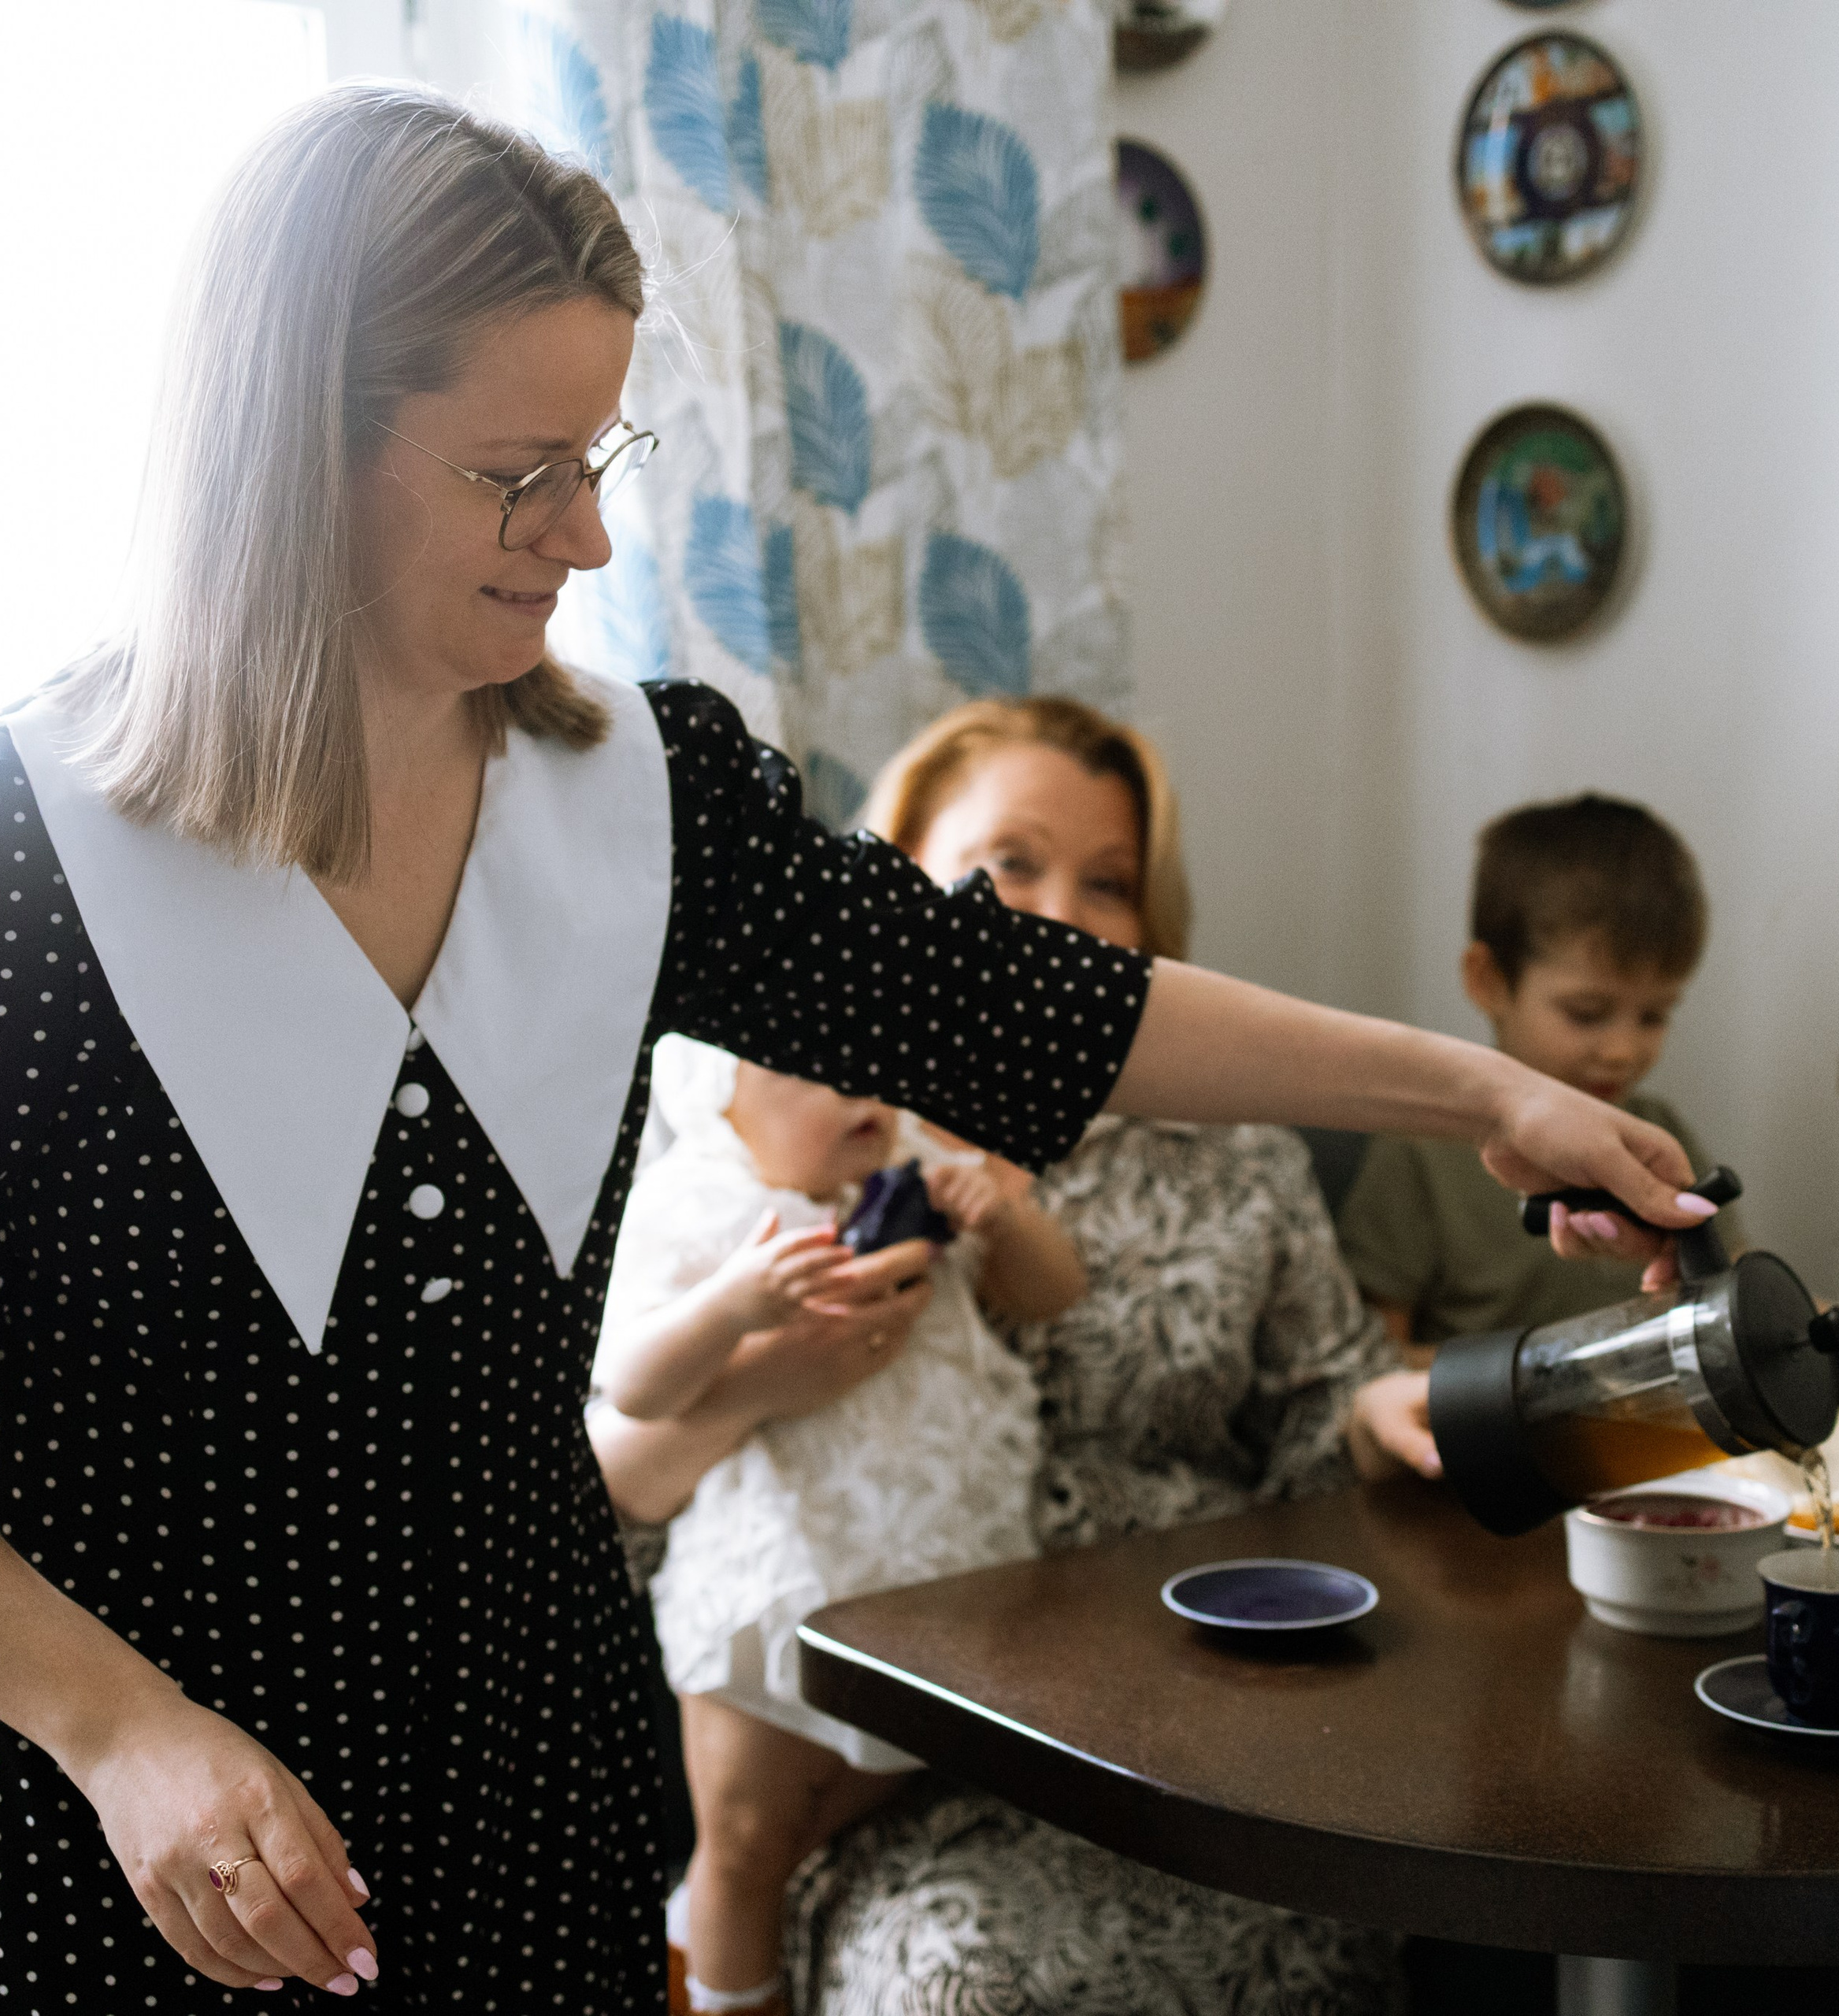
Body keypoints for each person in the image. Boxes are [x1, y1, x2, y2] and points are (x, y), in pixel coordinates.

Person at [0, 86, 1712, 2015]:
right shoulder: (34, 857)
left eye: (602, 450)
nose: (582, 528)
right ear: (290, 448)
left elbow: (1045, 1006)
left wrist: (1487, 1086)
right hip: (130, 1849)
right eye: (514, 470)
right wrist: (121, 1727)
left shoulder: (639, 802)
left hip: (537, 1812)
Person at [762, 696, 1426, 2013]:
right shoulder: (787, 1133)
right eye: (1009, 862)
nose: (1059, 911)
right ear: (891, 882)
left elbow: (1324, 1427)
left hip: (1208, 1752)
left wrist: (1384, 1411)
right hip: (903, 1766)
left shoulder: (1239, 1158)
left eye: (1108, 882)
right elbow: (639, 1469)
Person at [590, 1040, 1083, 2015]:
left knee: (865, 1781)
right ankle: (728, 1986)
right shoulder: (695, 1200)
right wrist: (733, 1307)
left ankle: (710, 1933)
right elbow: (636, 1385)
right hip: (770, 1581)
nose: (863, 1090)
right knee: (742, 1839)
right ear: (724, 1098)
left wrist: (1007, 1215)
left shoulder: (918, 1166)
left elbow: (1054, 1293)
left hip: (932, 1575)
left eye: (874, 1065)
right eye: (815, 1072)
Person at [1336, 794, 1839, 1413]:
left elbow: (1735, 1295)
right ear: (1488, 981)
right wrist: (1567, 1378)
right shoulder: (1421, 1152)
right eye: (1587, 1013)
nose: (1623, 1050)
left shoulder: (1656, 1132)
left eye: (1653, 1015)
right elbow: (1374, 1361)